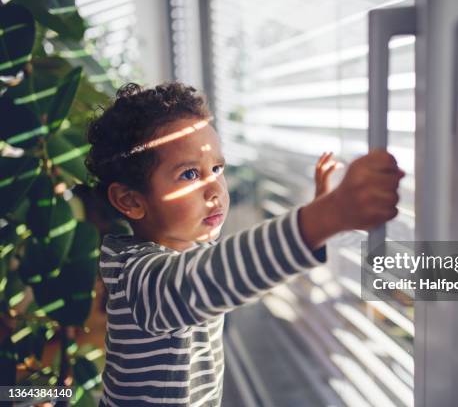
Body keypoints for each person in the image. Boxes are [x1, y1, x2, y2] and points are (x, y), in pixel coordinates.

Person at [85, 82, 404, 406]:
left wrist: (329, 224)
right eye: (189, 175)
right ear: (130, 200)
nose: (215, 190)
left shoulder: (192, 245)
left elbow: (244, 263)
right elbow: (206, 279)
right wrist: (323, 217)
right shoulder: (138, 280)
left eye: (217, 168)